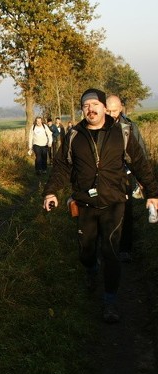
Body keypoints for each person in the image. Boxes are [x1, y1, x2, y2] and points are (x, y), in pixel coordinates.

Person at [43, 88, 158, 324]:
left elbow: (140, 164)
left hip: (114, 202)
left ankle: (110, 301)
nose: (90, 109)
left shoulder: (122, 133)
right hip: (84, 203)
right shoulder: (74, 136)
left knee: (111, 251)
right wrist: (51, 191)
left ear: (105, 108)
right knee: (86, 252)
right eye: (85, 105)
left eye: (95, 104)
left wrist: (153, 193)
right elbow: (62, 167)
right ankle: (92, 270)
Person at [106, 95, 148, 263]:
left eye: (114, 111)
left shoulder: (130, 126)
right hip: (104, 176)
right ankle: (106, 247)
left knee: (126, 211)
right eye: (108, 110)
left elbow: (140, 153)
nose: (110, 114)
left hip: (125, 176)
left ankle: (125, 249)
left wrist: (142, 178)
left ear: (120, 109)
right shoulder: (98, 125)